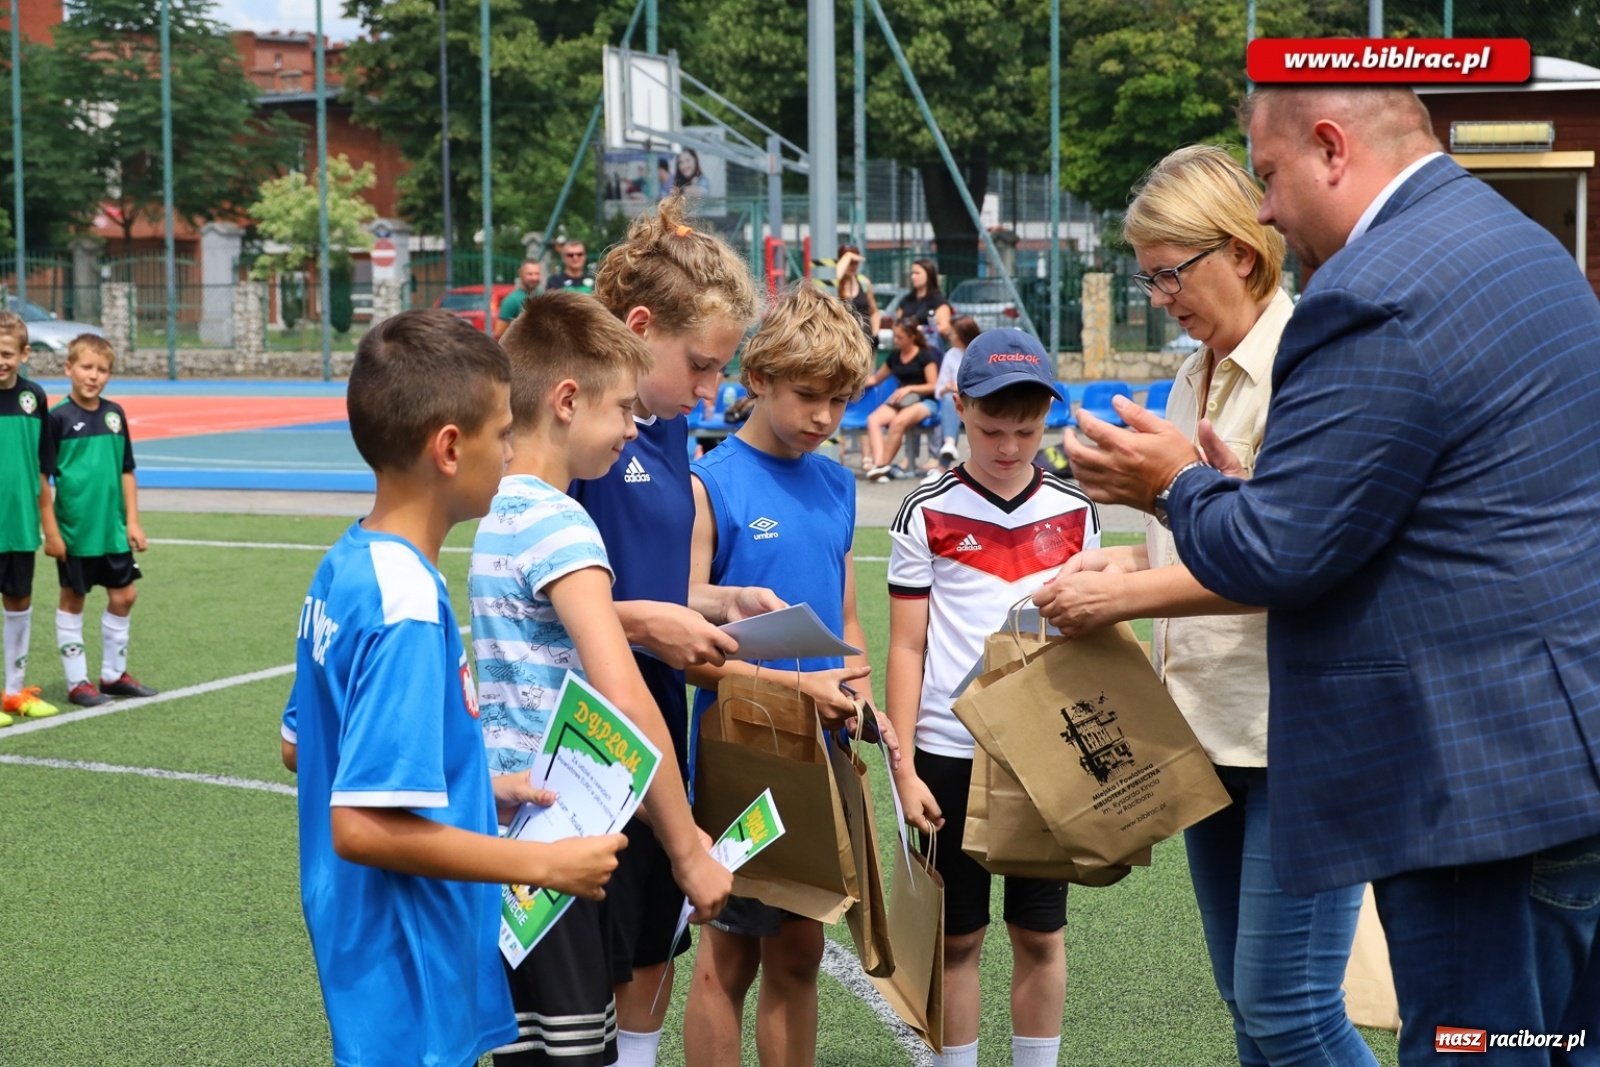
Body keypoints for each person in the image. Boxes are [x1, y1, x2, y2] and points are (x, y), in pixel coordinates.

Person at [1059, 87, 1600, 1065]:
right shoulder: (1518, 248)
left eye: (1266, 176)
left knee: (1442, 1037)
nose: (1266, 207)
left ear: (1329, 147)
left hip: (1468, 783)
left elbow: (1286, 551)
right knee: (1544, 1038)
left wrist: (1173, 490)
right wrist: (1206, 511)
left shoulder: (1368, 296)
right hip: (1551, 751)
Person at [1035, 144, 1377, 1067]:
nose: (1162, 297)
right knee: (1247, 1001)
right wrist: (1125, 540)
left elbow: (1284, 557)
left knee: (1290, 1008)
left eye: (1171, 273)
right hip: (1210, 725)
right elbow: (1207, 534)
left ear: (1240, 250)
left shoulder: (1313, 365)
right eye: (1147, 280)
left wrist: (1125, 594)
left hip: (1299, 728)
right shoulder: (1195, 376)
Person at [283, 309, 628, 1067]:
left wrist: (478, 788)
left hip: (360, 937)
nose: (511, 450)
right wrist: (541, 864)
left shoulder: (346, 564)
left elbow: (299, 742)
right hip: (401, 956)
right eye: (502, 433)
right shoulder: (406, 602)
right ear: (449, 448)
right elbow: (361, 827)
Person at [471, 292, 732, 1067]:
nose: (629, 428)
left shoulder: (501, 511)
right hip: (556, 847)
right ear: (565, 401)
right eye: (621, 409)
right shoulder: (559, 523)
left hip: (516, 849)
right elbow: (626, 693)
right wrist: (687, 849)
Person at [577, 194, 777, 1067]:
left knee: (651, 955)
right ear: (638, 324)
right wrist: (647, 624)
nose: (711, 391)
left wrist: (716, 604)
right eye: (699, 366)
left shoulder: (663, 430)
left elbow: (656, 583)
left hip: (655, 738)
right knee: (575, 987)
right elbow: (528, 598)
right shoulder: (577, 427)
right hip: (577, 752)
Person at [679, 283, 882, 1067]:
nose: (825, 418)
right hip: (737, 749)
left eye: (839, 400)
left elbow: (847, 618)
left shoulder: (836, 482)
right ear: (757, 378)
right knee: (727, 957)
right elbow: (686, 626)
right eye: (808, 396)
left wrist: (861, 701)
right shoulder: (713, 480)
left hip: (821, 745)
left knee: (800, 952)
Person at [886, 328, 1100, 1067]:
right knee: (957, 937)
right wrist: (904, 765)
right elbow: (907, 647)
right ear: (958, 407)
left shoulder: (1076, 509)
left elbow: (1086, 642)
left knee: (1041, 933)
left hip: (1041, 750)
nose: (1010, 447)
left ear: (1049, 422)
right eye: (990, 430)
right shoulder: (926, 509)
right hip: (949, 751)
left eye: (1028, 431)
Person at [48, 334, 155, 708]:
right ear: (69, 368)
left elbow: (127, 470)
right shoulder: (57, 418)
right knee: (73, 598)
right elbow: (43, 479)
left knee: (125, 596)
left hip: (112, 529)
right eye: (86, 367)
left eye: (102, 369)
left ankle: (112, 675)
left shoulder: (114, 415)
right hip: (76, 531)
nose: (93, 376)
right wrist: (50, 530)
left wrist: (134, 522)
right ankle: (78, 683)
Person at [0, 312, 62, 723]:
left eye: (6, 353)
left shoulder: (34, 398)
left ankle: (12, 692)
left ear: (24, 354)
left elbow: (43, 470)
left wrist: (50, 527)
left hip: (20, 524)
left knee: (19, 602)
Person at [864, 318, 940, 482]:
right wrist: (852, 383)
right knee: (873, 420)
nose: (895, 340)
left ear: (912, 337)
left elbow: (934, 386)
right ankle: (880, 465)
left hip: (925, 401)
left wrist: (910, 388)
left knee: (898, 422)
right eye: (895, 336)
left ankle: (882, 465)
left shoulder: (924, 355)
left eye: (899, 337)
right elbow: (876, 379)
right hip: (901, 401)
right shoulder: (895, 356)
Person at [924, 315, 982, 483]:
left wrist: (956, 387)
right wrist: (949, 389)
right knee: (951, 401)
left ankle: (942, 467)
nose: (949, 337)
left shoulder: (979, 355)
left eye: (952, 333)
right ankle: (948, 445)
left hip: (979, 402)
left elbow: (983, 385)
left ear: (963, 335)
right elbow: (939, 389)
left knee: (956, 401)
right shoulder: (950, 354)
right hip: (957, 403)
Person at [894, 258, 952, 346]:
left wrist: (923, 329)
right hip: (907, 347)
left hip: (928, 347)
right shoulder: (907, 300)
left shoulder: (938, 301)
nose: (913, 277)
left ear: (928, 275)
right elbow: (897, 323)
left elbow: (944, 328)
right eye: (912, 273)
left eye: (917, 273)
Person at [834, 245, 878, 339]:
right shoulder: (835, 285)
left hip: (864, 338)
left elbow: (874, 311)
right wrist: (847, 256)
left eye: (856, 263)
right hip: (843, 339)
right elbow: (836, 277)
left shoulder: (863, 282)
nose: (853, 266)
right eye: (850, 262)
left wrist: (875, 334)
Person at [494, 258, 544, 340]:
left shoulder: (544, 296)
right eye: (530, 274)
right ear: (521, 274)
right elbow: (499, 334)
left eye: (537, 274)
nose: (534, 278)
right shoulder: (511, 301)